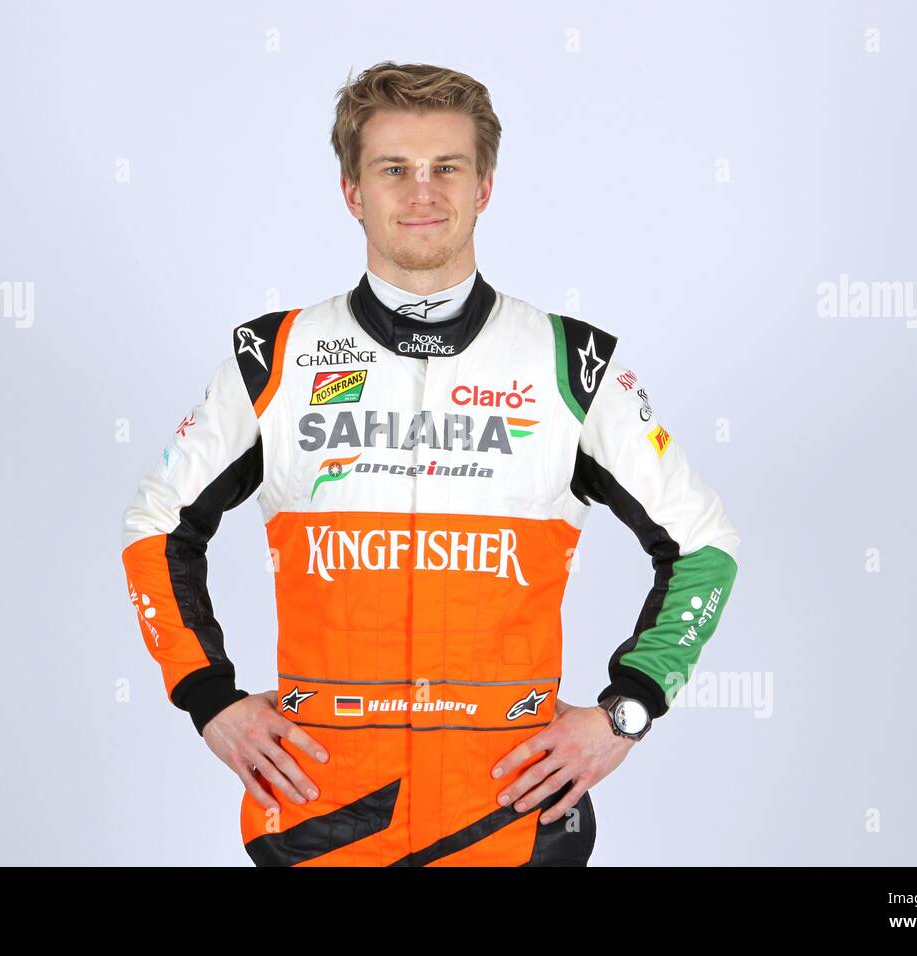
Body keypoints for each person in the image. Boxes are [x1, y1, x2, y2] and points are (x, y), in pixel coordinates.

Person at [120, 61, 740, 866]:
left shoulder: (571, 363)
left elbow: (705, 546)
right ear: (352, 191)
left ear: (484, 186)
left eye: (447, 167)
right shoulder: (275, 359)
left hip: (512, 819)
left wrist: (627, 711)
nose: (422, 192)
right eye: (394, 170)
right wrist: (209, 700)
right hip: (321, 818)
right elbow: (155, 528)